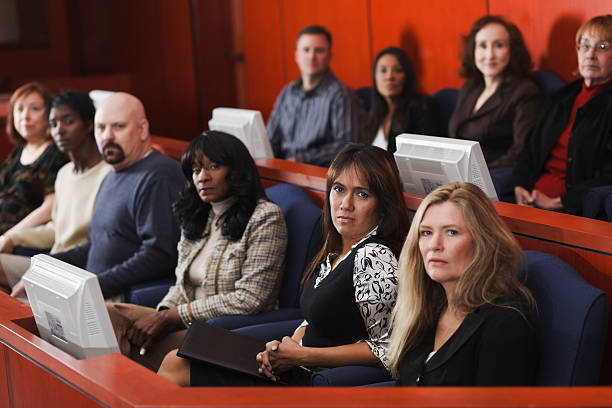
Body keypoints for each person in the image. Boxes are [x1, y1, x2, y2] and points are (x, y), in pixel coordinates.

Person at [157, 143, 412, 386]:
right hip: (294, 365)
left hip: (316, 377)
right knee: (178, 358)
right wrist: (285, 346)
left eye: (362, 194)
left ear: (382, 206)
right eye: (339, 189)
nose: (345, 204)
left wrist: (303, 356)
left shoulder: (374, 258)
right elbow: (315, 319)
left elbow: (387, 349)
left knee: (177, 366)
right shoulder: (337, 249)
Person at [106, 130, 288, 372]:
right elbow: (182, 285)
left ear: (236, 171)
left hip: (222, 331)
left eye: (213, 166)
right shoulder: (200, 215)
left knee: (124, 345)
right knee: (108, 316)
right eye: (195, 170)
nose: (202, 177)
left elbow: (250, 299)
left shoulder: (265, 217)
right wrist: (162, 314)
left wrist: (170, 318)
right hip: (185, 322)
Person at [388, 182, 538, 386]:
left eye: (451, 232)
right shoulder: (428, 305)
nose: (434, 245)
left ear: (482, 242)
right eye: (426, 233)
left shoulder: (505, 322)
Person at [52, 92, 184, 299]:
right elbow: (94, 246)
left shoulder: (159, 175)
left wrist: (94, 287)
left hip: (122, 299)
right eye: (101, 127)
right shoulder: (112, 175)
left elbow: (160, 254)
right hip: (94, 292)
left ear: (143, 130)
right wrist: (46, 265)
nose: (107, 136)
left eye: (119, 126)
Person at [0, 90, 111, 297]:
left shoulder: (108, 175)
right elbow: (55, 229)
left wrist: (48, 267)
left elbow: (97, 241)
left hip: (78, 267)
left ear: (89, 125)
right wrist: (11, 239)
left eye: (68, 121)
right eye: (53, 124)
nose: (59, 130)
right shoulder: (64, 174)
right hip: (52, 262)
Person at [512, 14, 612, 215]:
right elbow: (530, 149)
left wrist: (559, 202)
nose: (590, 54)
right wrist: (520, 185)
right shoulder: (560, 97)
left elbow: (609, 175)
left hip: (569, 209)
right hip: (529, 201)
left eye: (602, 47)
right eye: (584, 46)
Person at [449, 15, 541, 168]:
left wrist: (481, 174)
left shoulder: (525, 92)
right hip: (458, 172)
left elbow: (521, 151)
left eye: (499, 45)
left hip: (491, 177)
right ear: (473, 51)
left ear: (512, 50)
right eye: (482, 46)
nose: (490, 55)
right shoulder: (470, 87)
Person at [266, 25, 361, 167]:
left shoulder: (341, 95)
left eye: (319, 50)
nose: (312, 56)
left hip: (315, 171)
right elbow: (271, 137)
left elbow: (347, 145)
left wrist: (299, 159)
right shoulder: (288, 92)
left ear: (329, 56)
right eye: (306, 50)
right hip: (282, 168)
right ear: (296, 56)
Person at [0, 82, 68, 237]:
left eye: (34, 109)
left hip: (20, 241)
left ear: (49, 113)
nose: (25, 116)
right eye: (20, 109)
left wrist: (7, 237)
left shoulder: (56, 152)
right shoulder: (20, 150)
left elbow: (51, 207)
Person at [362, 46, 445, 153]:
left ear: (407, 76)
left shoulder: (422, 108)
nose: (389, 76)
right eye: (383, 70)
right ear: (375, 77)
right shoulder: (375, 113)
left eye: (397, 70)